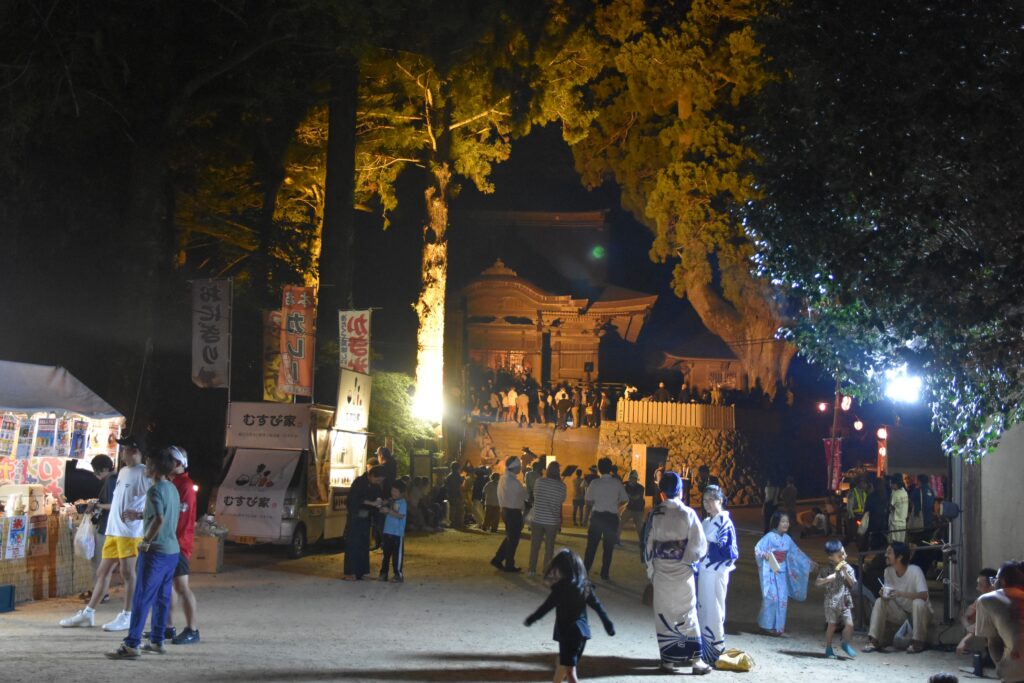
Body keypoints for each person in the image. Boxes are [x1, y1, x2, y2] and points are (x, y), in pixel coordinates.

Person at [61, 434, 150, 631]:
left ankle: (128, 615)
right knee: (103, 571)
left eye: (125, 449)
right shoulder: (124, 471)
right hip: (113, 530)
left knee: (128, 573)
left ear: (134, 451)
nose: (122, 453)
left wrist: (140, 515)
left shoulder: (145, 474)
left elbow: (157, 502)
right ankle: (88, 613)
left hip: (130, 533)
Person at [106, 447, 181, 659]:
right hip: (171, 551)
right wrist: (140, 516)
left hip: (155, 551)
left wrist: (146, 540)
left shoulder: (154, 491)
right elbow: (162, 516)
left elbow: (159, 519)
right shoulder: (172, 489)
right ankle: (157, 640)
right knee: (162, 597)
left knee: (142, 597)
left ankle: (131, 644)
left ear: (155, 469)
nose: (145, 468)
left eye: (148, 465)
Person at [642, 471, 710, 674]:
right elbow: (699, 545)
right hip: (683, 573)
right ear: (681, 491)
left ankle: (668, 662)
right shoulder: (688, 513)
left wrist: (651, 569)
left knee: (664, 615)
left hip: (662, 572)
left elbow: (647, 545)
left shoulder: (655, 514)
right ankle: (696, 661)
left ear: (661, 493)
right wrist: (688, 560)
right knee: (688, 613)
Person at [524, 548, 615, 683]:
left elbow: (546, 607)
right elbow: (598, 606)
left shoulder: (561, 588)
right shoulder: (584, 586)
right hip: (582, 632)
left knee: (571, 673)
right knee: (564, 664)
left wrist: (532, 619)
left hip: (568, 633)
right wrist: (608, 624)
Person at [696, 484, 738, 666]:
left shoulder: (725, 522)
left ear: (720, 500)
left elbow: (729, 551)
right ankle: (704, 649)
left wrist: (705, 546)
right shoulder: (706, 522)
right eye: (705, 500)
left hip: (716, 573)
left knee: (714, 610)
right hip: (704, 573)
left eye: (711, 500)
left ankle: (716, 649)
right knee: (703, 609)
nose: (707, 504)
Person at [754, 511, 816, 636]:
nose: (785, 524)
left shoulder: (787, 539)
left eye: (787, 521)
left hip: (781, 571)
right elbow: (758, 549)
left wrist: (809, 563)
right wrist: (764, 555)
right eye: (783, 521)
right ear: (776, 522)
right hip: (770, 570)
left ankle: (778, 627)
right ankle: (766, 625)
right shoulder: (769, 536)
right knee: (771, 597)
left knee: (782, 598)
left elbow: (796, 553)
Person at [865, 541, 932, 653]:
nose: (886, 555)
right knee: (879, 601)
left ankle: (918, 642)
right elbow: (889, 596)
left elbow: (924, 595)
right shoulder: (888, 571)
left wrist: (901, 593)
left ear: (900, 557)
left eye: (889, 552)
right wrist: (884, 594)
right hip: (902, 614)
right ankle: (874, 640)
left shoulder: (915, 571)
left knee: (918, 602)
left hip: (920, 614)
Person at [164, 447, 199, 644]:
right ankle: (168, 627)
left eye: (168, 460)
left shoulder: (184, 485)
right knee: (168, 586)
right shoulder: (175, 483)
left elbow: (181, 520)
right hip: (172, 543)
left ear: (178, 464)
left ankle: (192, 629)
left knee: (181, 587)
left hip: (178, 543)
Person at [974, 560, 1024, 683]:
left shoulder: (988, 600)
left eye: (995, 579)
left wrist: (1001, 667)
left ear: (1002, 581)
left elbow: (993, 642)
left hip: (1016, 673)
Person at [583, 457, 628, 580]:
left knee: (591, 546)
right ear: (610, 468)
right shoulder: (617, 483)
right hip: (611, 518)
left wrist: (596, 504)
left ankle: (585, 571)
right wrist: (616, 506)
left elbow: (588, 500)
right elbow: (625, 499)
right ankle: (604, 573)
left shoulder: (595, 483)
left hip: (597, 516)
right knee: (608, 547)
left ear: (599, 469)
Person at [814, 538, 858, 659]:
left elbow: (853, 584)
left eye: (844, 553)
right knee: (832, 625)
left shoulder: (848, 568)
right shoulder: (826, 569)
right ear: (831, 557)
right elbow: (817, 582)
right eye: (840, 555)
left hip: (845, 601)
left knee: (849, 624)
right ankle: (828, 648)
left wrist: (845, 572)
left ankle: (845, 643)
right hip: (831, 603)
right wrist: (828, 579)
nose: (844, 556)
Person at [343, 465, 386, 580]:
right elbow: (354, 499)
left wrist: (379, 501)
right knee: (353, 544)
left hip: (366, 518)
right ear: (371, 475)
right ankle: (350, 572)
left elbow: (378, 496)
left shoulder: (375, 486)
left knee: (363, 544)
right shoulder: (359, 482)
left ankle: (361, 571)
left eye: (380, 481)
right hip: (355, 517)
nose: (378, 482)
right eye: (377, 479)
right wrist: (371, 503)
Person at [84, 454, 116, 598]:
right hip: (112, 527)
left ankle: (99, 593)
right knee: (106, 563)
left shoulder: (110, 481)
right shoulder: (117, 478)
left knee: (98, 562)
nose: (94, 473)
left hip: (106, 527)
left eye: (96, 470)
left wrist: (95, 505)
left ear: (104, 469)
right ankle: (101, 592)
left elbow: (112, 505)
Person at [528, 462, 567, 577]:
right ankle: (546, 571)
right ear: (558, 471)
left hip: (537, 518)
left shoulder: (539, 481)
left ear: (548, 470)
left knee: (535, 546)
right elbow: (561, 501)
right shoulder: (562, 486)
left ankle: (532, 570)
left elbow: (535, 496)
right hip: (552, 521)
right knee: (549, 547)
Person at [491, 455, 526, 572]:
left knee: (510, 538)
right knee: (513, 540)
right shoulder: (515, 482)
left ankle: (498, 559)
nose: (520, 468)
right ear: (515, 467)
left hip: (505, 511)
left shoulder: (503, 479)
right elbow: (524, 496)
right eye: (519, 466)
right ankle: (509, 564)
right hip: (514, 512)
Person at [956, 568, 998, 658]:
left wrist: (965, 640)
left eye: (980, 585)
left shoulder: (999, 599)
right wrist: (968, 627)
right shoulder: (981, 600)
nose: (977, 588)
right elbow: (965, 616)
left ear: (992, 585)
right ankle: (990, 653)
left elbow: (988, 620)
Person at [379, 480, 408, 582]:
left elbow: (400, 516)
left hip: (397, 533)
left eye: (396, 491)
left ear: (402, 493)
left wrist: (389, 511)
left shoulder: (402, 503)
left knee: (397, 556)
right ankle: (383, 573)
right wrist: (383, 509)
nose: (393, 493)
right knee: (385, 555)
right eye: (392, 490)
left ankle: (398, 574)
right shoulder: (391, 501)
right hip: (387, 531)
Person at [620, 471, 645, 545]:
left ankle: (642, 543)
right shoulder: (626, 485)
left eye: (633, 479)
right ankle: (616, 539)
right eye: (631, 478)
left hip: (638, 510)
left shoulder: (640, 488)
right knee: (620, 523)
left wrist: (625, 492)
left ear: (636, 479)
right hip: (629, 508)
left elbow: (636, 497)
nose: (631, 480)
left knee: (639, 528)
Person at [846, 478, 869, 542]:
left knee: (861, 532)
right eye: (864, 483)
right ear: (860, 484)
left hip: (862, 516)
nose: (865, 485)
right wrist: (853, 517)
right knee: (855, 533)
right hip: (855, 516)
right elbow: (849, 507)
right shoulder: (853, 492)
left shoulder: (864, 492)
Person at [889, 475, 909, 543]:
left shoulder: (896, 494)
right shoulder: (905, 492)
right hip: (903, 522)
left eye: (892, 483)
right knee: (901, 542)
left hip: (896, 522)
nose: (891, 485)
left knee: (895, 543)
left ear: (896, 484)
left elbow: (890, 507)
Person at [444, 462, 465, 529]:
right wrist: (463, 478)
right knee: (460, 509)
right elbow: (460, 482)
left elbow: (446, 485)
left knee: (453, 509)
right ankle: (459, 523)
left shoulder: (449, 476)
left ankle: (453, 523)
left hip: (451, 494)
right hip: (457, 494)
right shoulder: (457, 475)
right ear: (457, 468)